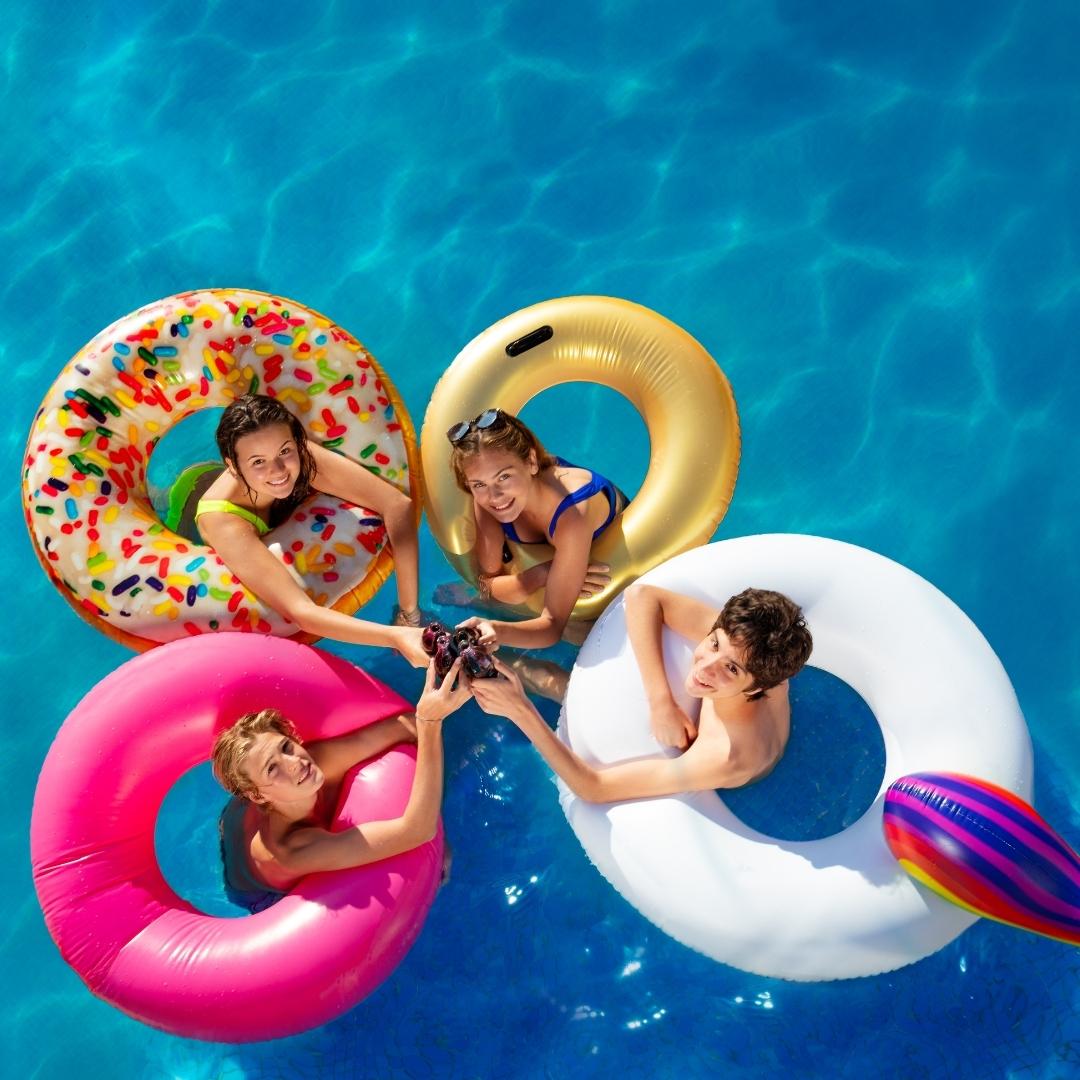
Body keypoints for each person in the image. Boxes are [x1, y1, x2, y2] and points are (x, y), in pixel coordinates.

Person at [469, 585, 813, 801]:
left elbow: (594, 788)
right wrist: (661, 702)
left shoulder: (725, 756)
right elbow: (643, 596)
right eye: (713, 644)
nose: (706, 666)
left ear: (758, 687)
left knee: (556, 684)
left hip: (741, 781)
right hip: (706, 717)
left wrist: (520, 711)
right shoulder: (746, 647)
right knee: (574, 633)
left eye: (731, 669)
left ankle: (482, 660)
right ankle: (490, 623)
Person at [212, 657, 471, 910]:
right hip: (256, 890)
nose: (293, 762)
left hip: (248, 813)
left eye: (286, 746)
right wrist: (432, 722)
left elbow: (407, 726)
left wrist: (439, 822)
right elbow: (418, 831)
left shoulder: (314, 761)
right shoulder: (292, 850)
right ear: (257, 796)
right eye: (272, 768)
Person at [195, 393, 428, 665]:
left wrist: (409, 612)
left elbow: (397, 505)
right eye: (258, 461)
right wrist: (396, 636)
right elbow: (300, 612)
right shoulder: (223, 522)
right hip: (201, 508)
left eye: (284, 451)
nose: (279, 469)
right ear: (233, 467)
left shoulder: (299, 458)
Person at [445, 408, 624, 693]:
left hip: (614, 591)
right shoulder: (488, 499)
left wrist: (497, 629)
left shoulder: (573, 513)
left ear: (530, 461)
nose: (494, 496)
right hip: (547, 578)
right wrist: (542, 573)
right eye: (479, 484)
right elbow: (486, 582)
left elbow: (551, 626)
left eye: (504, 477)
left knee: (580, 635)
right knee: (493, 601)